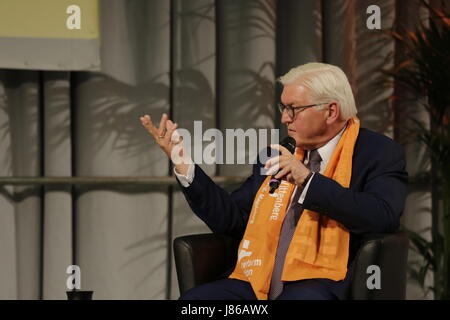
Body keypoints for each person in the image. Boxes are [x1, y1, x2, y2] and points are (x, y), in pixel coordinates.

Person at [140, 62, 408, 300]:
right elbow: (232, 219)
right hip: (256, 280)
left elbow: (382, 215)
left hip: (323, 283)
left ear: (331, 111)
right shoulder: (278, 154)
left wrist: (307, 180)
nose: (284, 118)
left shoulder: (377, 152)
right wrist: (183, 162)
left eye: (293, 108)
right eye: (283, 107)